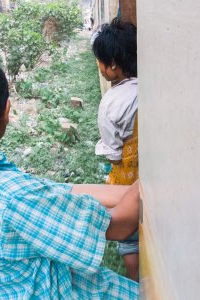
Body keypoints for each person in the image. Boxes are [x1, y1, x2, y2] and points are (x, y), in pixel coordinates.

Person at [0, 49, 139, 299]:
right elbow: (119, 225)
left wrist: (126, 190)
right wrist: (151, 183)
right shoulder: (14, 197)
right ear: (6, 111)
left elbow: (59, 191)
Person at [92, 17, 139, 282]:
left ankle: (135, 285)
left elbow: (113, 153)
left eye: (100, 60)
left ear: (112, 66)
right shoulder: (153, 89)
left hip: (129, 182)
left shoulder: (110, 103)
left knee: (130, 239)